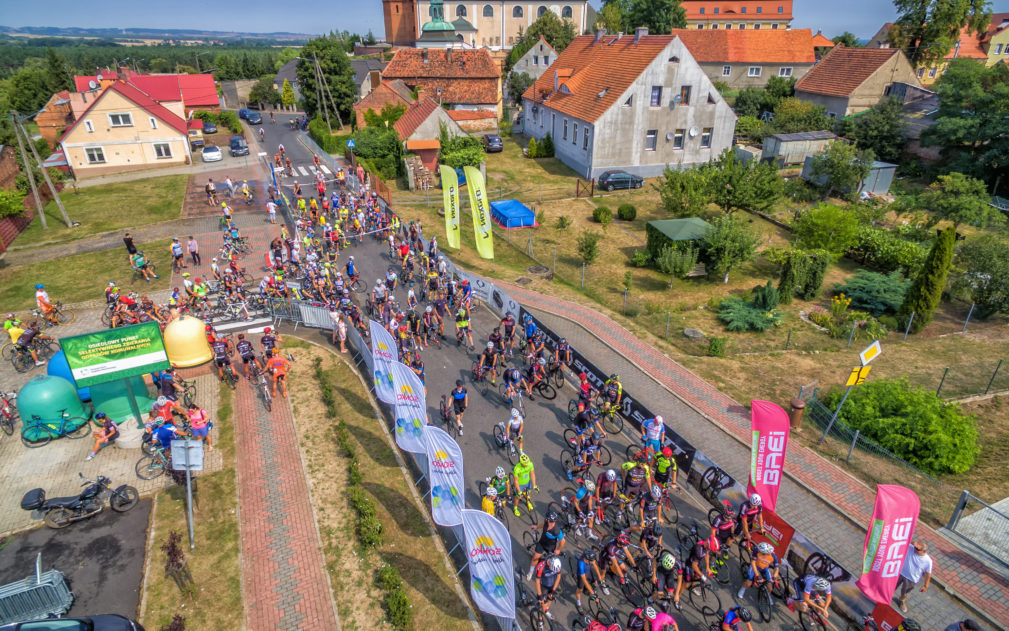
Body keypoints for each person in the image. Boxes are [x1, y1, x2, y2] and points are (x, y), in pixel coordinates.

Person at [895, 541, 933, 613]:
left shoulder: (928, 561)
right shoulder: (910, 548)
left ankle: (901, 601)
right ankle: (885, 596)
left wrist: (926, 585)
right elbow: (906, 539)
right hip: (901, 572)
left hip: (911, 579)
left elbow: (928, 574)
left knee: (905, 593)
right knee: (892, 586)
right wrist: (914, 543)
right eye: (915, 547)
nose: (915, 549)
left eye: (917, 549)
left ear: (924, 551)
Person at [527, 512, 565, 579]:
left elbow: (563, 541)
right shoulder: (546, 522)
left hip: (550, 547)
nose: (548, 521)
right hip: (542, 543)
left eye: (550, 520)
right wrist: (537, 527)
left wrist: (558, 550)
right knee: (535, 558)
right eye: (548, 519)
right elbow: (543, 524)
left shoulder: (556, 531)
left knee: (549, 562)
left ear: (553, 521)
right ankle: (530, 572)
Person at [533, 555, 562, 620]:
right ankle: (540, 619)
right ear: (550, 564)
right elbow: (537, 581)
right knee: (543, 604)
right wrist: (540, 595)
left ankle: (546, 611)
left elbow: (558, 577)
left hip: (552, 584)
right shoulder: (541, 566)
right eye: (551, 569)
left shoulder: (557, 564)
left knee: (549, 600)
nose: (552, 571)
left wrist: (553, 590)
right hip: (543, 586)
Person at [512, 453, 537, 518]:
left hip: (528, 482)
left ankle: (528, 501)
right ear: (521, 463)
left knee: (529, 492)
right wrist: (519, 490)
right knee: (518, 497)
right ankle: (515, 508)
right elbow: (516, 481)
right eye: (525, 464)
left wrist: (534, 485)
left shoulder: (530, 464)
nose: (527, 465)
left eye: (527, 464)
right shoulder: (517, 468)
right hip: (520, 484)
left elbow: (532, 474)